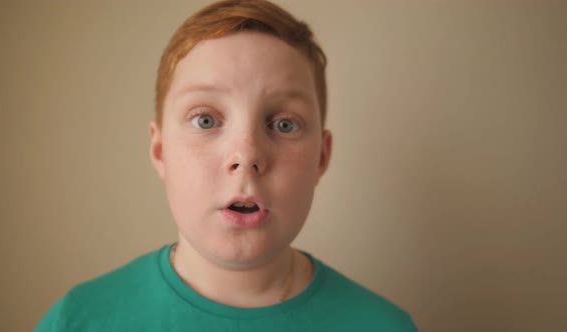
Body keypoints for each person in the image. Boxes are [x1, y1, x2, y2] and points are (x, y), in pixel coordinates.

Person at [35, 0, 418, 330]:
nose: (247, 155)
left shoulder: (384, 327)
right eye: (206, 120)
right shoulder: (76, 321)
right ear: (159, 150)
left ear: (321, 156)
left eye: (283, 124)